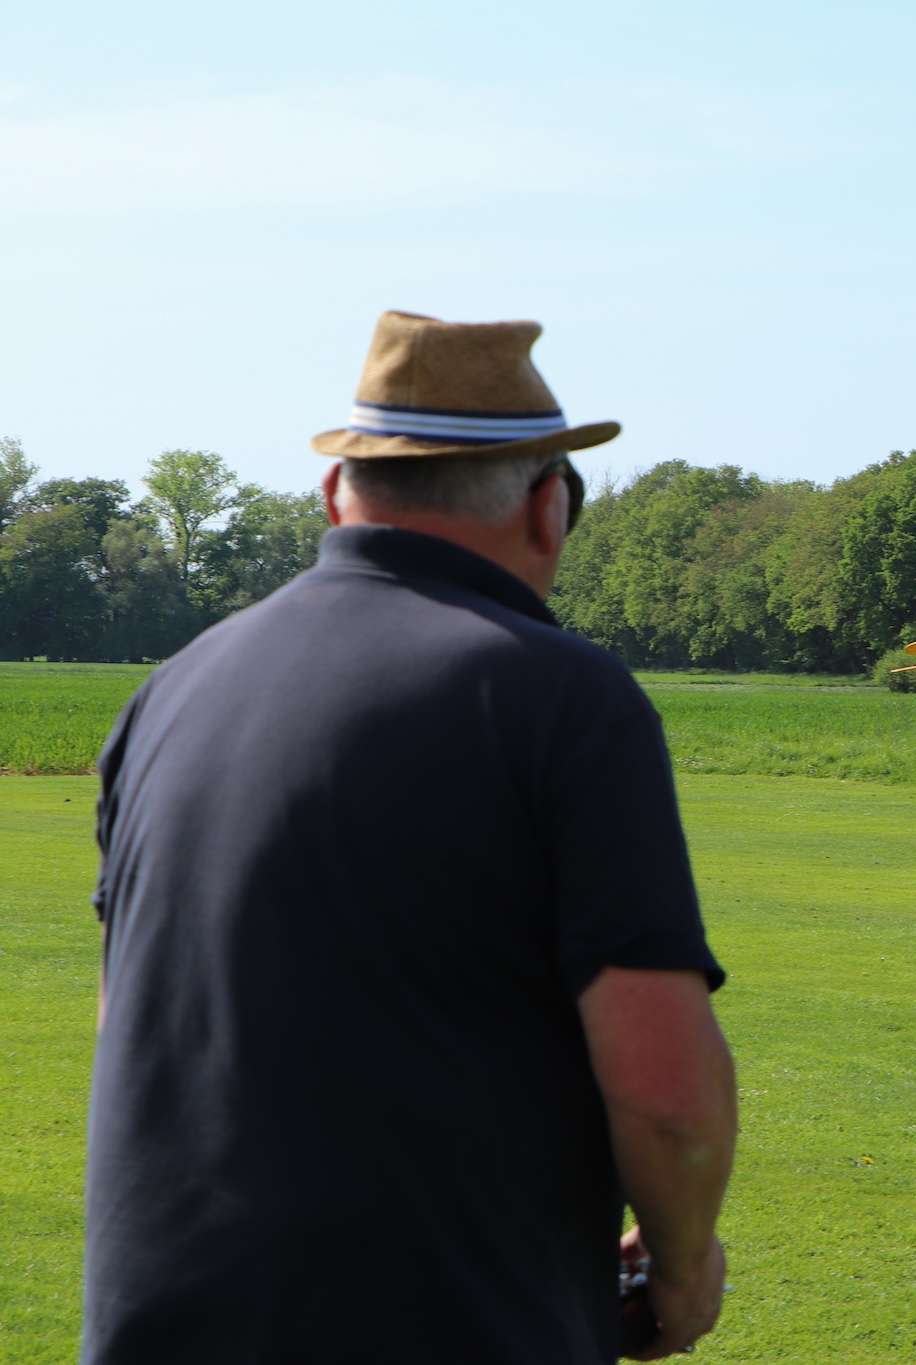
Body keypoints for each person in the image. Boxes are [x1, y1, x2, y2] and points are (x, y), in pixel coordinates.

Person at [83, 311, 735, 1364]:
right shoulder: (564, 698)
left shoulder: (170, 691)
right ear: (548, 507)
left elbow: (133, 1022)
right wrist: (683, 1261)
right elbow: (665, 1094)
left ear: (333, 493)